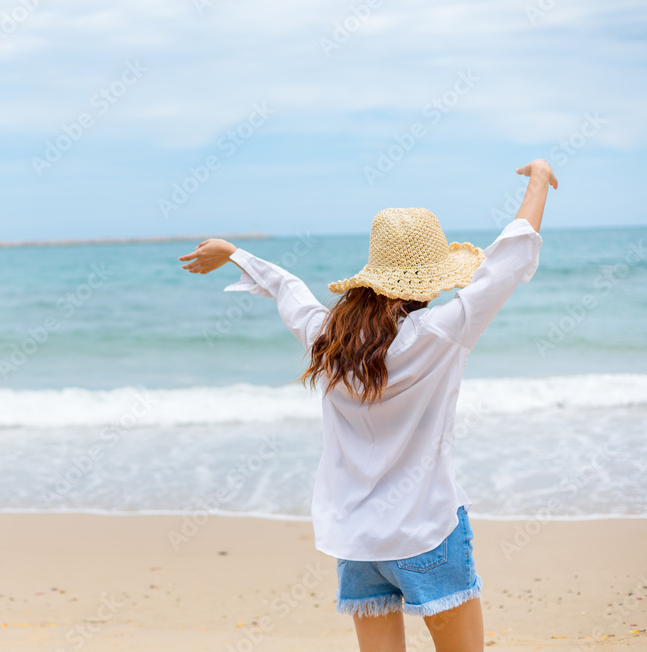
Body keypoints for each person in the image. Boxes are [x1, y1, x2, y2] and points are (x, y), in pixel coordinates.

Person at [176, 159, 558, 652]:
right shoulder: (442, 332)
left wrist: (234, 253)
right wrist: (538, 179)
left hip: (357, 543)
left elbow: (289, 290)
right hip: (427, 532)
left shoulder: (328, 339)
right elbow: (509, 258)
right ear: (431, 279)